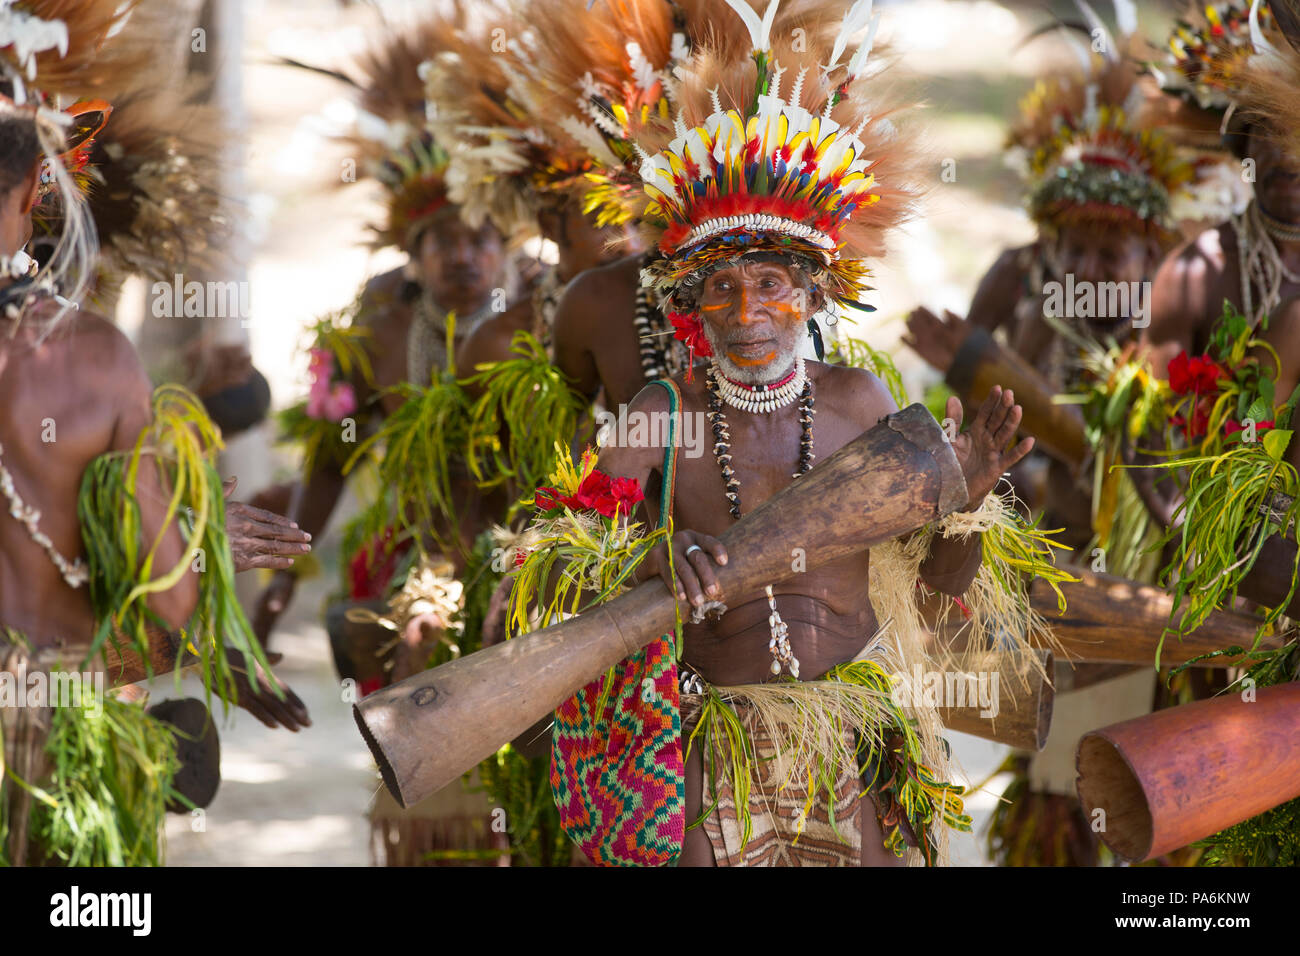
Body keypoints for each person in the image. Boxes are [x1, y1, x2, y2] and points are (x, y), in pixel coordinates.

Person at [511, 0, 1036, 866]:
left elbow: (941, 592)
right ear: (687, 305)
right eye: (720, 288)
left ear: (818, 295)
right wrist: (649, 560)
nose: (747, 312)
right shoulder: (659, 415)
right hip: (708, 741)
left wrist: (964, 505)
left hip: (845, 737)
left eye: (773, 284)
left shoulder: (863, 404)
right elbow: (555, 568)